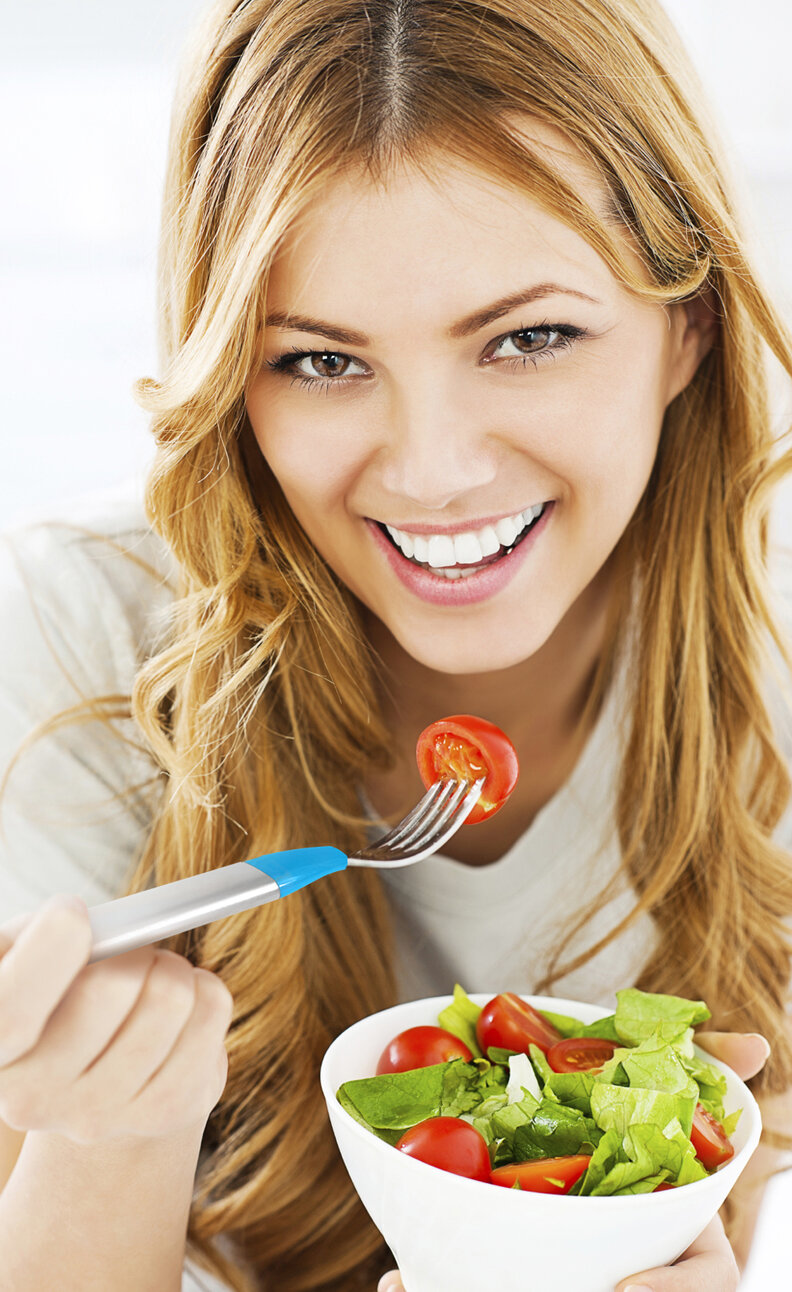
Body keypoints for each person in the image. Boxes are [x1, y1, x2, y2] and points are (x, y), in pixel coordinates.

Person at [0, 0, 791, 1289]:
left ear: (687, 327)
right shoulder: (82, 635)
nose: (432, 473)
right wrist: (112, 1131)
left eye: (531, 339)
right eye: (319, 362)